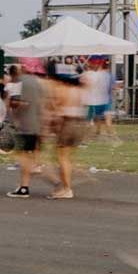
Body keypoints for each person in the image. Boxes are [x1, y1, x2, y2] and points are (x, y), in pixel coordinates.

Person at [5, 60, 48, 198]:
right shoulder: (39, 82)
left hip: (23, 124)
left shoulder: (18, 83)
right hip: (36, 123)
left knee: (23, 157)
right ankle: (29, 181)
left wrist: (12, 115)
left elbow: (15, 103)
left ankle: (24, 187)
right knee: (29, 155)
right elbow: (43, 104)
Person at [48, 64, 88, 199]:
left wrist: (53, 127)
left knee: (62, 157)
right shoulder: (79, 90)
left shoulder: (61, 90)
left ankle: (67, 188)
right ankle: (68, 184)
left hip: (67, 122)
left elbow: (56, 111)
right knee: (67, 156)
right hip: (80, 122)